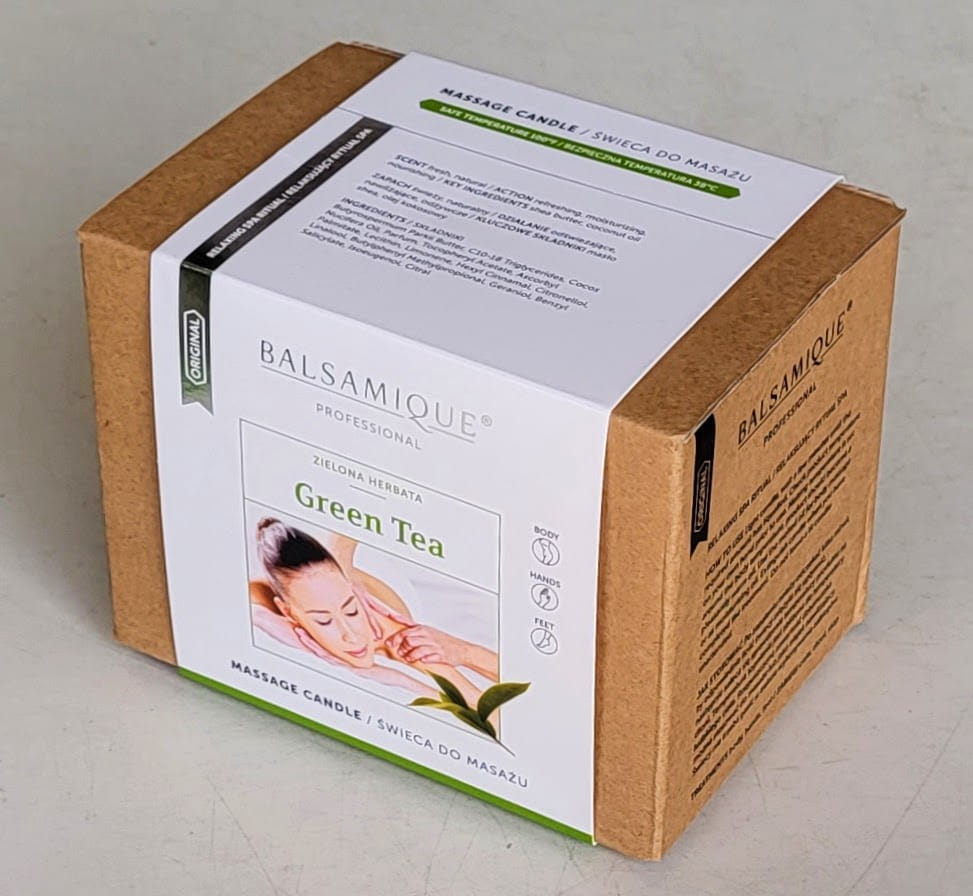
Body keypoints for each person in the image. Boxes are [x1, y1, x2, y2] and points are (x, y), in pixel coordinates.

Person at [250, 518, 498, 708]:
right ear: (287, 612)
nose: (351, 636)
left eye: (352, 610)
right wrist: (392, 677)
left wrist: (461, 653)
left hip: (369, 565)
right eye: (324, 621)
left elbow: (488, 718)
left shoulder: (398, 636)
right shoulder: (265, 596)